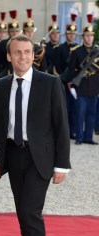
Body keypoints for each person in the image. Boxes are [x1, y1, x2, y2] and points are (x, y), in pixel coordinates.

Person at [0, 34, 70, 236]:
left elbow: (61, 125)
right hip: (13, 155)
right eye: (17, 52)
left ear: (34, 55)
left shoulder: (50, 83)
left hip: (40, 158)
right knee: (23, 215)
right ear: (9, 56)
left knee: (30, 214)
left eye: (28, 52)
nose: (23, 56)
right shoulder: (1, 85)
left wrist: (62, 165)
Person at [67, 14, 99, 145]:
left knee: (91, 113)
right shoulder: (76, 51)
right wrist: (72, 87)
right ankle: (79, 137)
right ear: (83, 37)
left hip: (94, 87)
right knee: (80, 114)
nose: (89, 38)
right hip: (81, 87)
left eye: (91, 36)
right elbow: (70, 72)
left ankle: (88, 137)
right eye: (87, 35)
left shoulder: (97, 52)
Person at [54, 14, 79, 139]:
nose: (72, 35)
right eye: (69, 33)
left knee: (74, 109)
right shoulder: (60, 48)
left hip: (76, 83)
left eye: (74, 34)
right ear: (66, 34)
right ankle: (63, 132)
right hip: (64, 82)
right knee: (64, 109)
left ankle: (72, 131)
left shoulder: (78, 49)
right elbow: (57, 67)